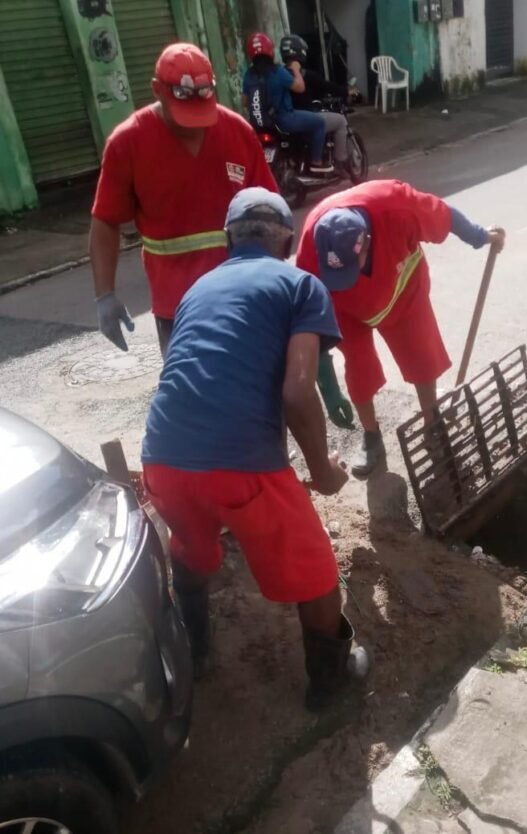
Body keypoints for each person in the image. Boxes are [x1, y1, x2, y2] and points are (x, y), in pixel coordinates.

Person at [141, 187, 368, 710]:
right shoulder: (301, 285)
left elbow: (197, 371)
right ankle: (329, 682)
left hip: (163, 456)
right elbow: (297, 390)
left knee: (191, 545)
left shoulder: (197, 289)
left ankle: (196, 652)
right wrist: (323, 472)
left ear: (229, 240)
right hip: (242, 466)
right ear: (287, 242)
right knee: (315, 573)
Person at [296, 179, 506, 477]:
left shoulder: (395, 205)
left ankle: (432, 424)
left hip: (402, 287)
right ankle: (371, 436)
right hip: (345, 309)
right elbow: (309, 321)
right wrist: (328, 388)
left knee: (421, 354)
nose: (348, 278)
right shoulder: (310, 248)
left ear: (367, 241)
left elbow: (443, 215)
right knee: (359, 367)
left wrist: (480, 236)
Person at [90, 42, 278, 357]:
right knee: (190, 385)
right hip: (177, 307)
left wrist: (278, 281)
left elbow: (271, 212)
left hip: (243, 294)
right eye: (184, 113)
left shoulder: (237, 133)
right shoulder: (128, 143)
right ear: (157, 90)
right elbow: (106, 220)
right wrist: (104, 295)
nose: (195, 125)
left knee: (257, 380)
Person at [242, 32, 332, 175]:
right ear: (270, 51)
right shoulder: (277, 71)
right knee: (319, 122)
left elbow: (244, 101)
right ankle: (316, 161)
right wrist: (296, 70)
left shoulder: (249, 75)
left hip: (260, 125)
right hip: (285, 120)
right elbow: (300, 88)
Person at [279, 34, 351, 176]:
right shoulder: (306, 75)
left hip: (285, 120)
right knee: (340, 121)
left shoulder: (279, 74)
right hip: (304, 118)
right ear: (301, 52)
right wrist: (347, 92)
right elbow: (327, 86)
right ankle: (339, 163)